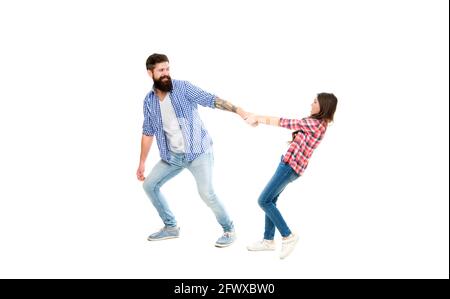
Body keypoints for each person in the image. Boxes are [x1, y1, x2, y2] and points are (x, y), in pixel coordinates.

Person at [136, 53, 252, 247]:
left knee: (206, 193)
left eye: (167, 69)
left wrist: (238, 110)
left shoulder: (183, 88)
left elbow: (210, 99)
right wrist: (142, 162)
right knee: (149, 185)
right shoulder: (149, 101)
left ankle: (229, 229)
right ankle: (171, 227)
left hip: (198, 152)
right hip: (172, 157)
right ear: (150, 73)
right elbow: (148, 132)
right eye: (161, 70)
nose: (166, 74)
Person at [245, 93, 338, 259]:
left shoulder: (313, 123)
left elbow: (283, 122)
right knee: (271, 201)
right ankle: (268, 241)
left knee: (263, 201)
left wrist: (257, 117)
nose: (311, 103)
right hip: (290, 166)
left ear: (323, 106)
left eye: (315, 101)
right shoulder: (320, 124)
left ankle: (288, 235)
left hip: (289, 168)